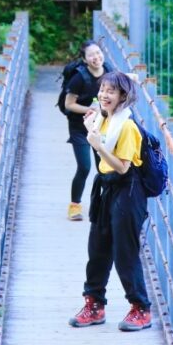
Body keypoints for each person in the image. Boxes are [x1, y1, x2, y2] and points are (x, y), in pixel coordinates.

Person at [68, 71, 152, 332]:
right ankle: (94, 304)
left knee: (125, 252)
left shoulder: (127, 126)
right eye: (102, 90)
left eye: (111, 91)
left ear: (123, 97)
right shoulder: (105, 118)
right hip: (105, 186)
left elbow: (123, 167)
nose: (103, 95)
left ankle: (141, 308)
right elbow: (102, 151)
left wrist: (97, 144)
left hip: (128, 189)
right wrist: (91, 131)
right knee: (98, 247)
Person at [63, 40, 107, 221]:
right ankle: (74, 206)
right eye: (91, 55)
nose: (96, 58)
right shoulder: (78, 78)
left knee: (104, 167)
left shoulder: (109, 72)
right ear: (85, 59)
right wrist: (89, 110)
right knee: (84, 167)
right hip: (79, 128)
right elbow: (68, 104)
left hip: (101, 127)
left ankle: (105, 204)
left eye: (98, 53)